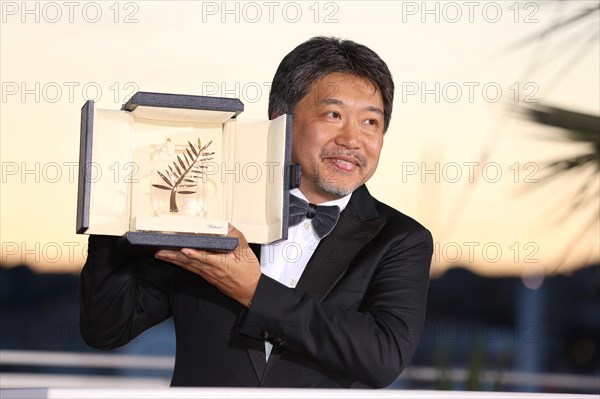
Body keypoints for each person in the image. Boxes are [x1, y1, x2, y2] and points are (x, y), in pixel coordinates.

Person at [79, 36, 433, 388]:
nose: (352, 139)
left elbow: (381, 357)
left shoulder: (401, 239)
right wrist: (115, 208)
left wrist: (253, 289)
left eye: (370, 122)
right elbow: (107, 328)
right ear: (281, 120)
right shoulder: (209, 211)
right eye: (333, 114)